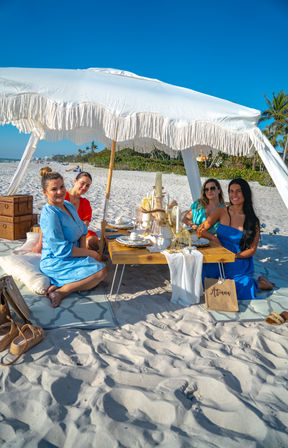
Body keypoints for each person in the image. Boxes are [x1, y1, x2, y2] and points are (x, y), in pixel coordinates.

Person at [198, 178, 274, 300]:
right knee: (205, 281)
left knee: (236, 286)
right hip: (218, 256)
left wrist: (235, 256)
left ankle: (261, 284)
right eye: (231, 191)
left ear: (245, 193)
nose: (234, 195)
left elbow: (252, 249)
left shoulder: (253, 221)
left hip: (238, 259)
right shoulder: (221, 211)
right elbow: (201, 230)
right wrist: (214, 238)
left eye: (238, 191)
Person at [39, 170, 108, 308]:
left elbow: (82, 230)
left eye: (62, 187)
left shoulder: (68, 205)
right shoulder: (50, 214)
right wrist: (91, 253)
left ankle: (62, 284)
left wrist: (83, 254)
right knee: (101, 272)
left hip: (73, 253)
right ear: (45, 192)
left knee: (100, 270)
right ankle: (63, 291)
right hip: (56, 259)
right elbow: (61, 250)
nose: (60, 191)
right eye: (54, 189)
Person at [65, 171, 99, 250]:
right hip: (63, 231)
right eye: (82, 183)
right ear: (75, 181)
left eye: (87, 185)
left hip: (80, 232)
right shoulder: (63, 197)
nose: (84, 187)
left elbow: (85, 224)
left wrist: (78, 236)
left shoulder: (85, 203)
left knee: (92, 242)